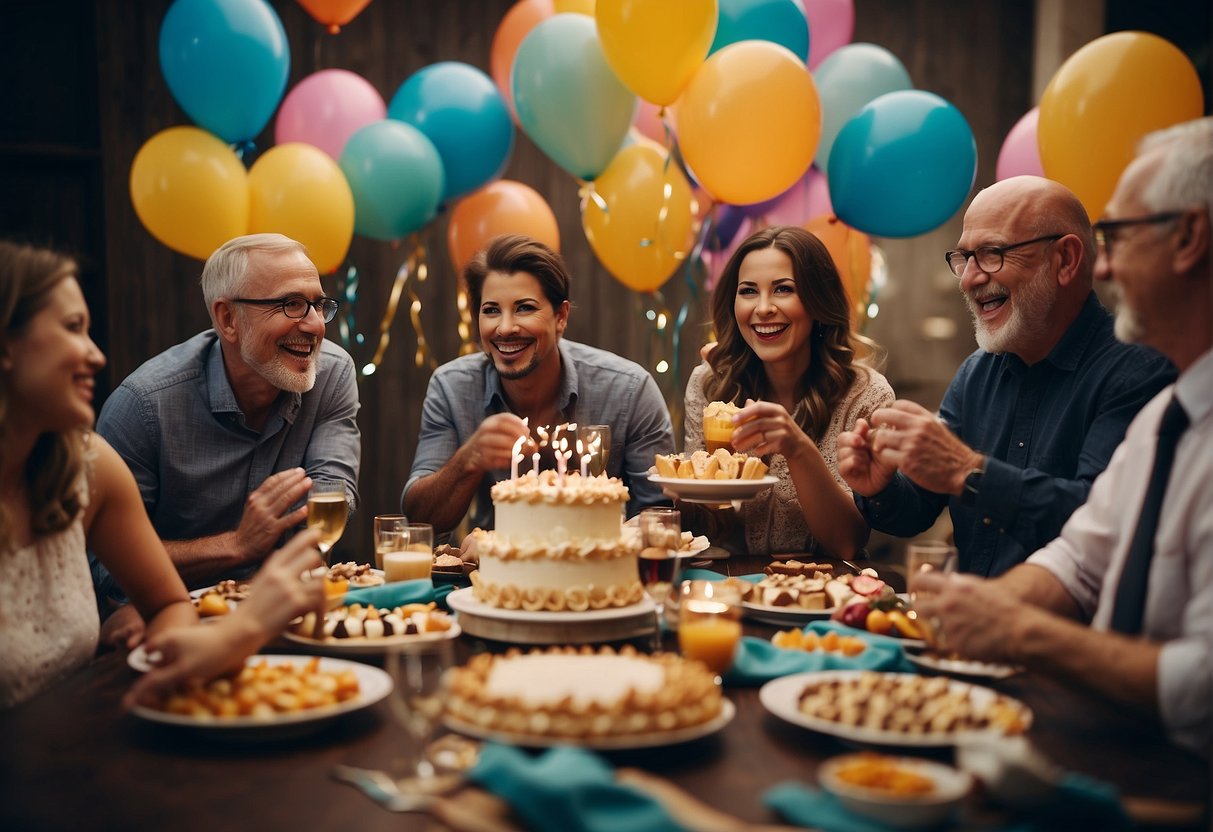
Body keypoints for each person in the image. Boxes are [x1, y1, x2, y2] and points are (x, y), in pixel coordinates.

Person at [914, 117, 1213, 756]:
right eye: (966, 257)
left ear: (1189, 238)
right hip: (1082, 726)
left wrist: (1017, 632)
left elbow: (1202, 685)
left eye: (1121, 236)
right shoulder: (1174, 414)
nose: (1106, 265)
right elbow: (1080, 558)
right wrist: (969, 608)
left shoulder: (1143, 379)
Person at [0, 240, 326, 709]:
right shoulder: (144, 403)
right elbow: (108, 581)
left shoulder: (89, 466)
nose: (96, 356)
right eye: (73, 328)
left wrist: (175, 657)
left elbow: (170, 606)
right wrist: (243, 607)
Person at [838, 176, 1175, 576]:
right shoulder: (977, 373)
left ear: (1065, 260)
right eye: (964, 258)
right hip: (967, 625)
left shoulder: (1138, 372)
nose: (968, 278)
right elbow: (916, 513)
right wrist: (880, 486)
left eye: (993, 253)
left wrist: (968, 471)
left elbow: (1105, 528)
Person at [90, 233, 361, 613]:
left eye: (318, 305)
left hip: (291, 617)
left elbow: (329, 508)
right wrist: (235, 545)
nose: (316, 326)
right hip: (173, 629)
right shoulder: (144, 406)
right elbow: (105, 567)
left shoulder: (331, 373)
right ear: (228, 318)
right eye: (292, 305)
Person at [403, 234, 675, 540]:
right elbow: (420, 521)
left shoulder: (628, 390)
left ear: (561, 317)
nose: (505, 328)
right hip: (496, 577)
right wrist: (469, 459)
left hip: (603, 576)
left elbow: (662, 514)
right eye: (491, 310)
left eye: (524, 308)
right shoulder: (451, 387)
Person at [683, 225, 894, 558]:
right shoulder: (711, 384)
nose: (763, 308)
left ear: (817, 300)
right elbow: (704, 530)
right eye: (749, 291)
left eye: (783, 289)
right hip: (726, 587)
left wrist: (797, 448)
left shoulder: (864, 395)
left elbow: (847, 543)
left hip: (823, 589)